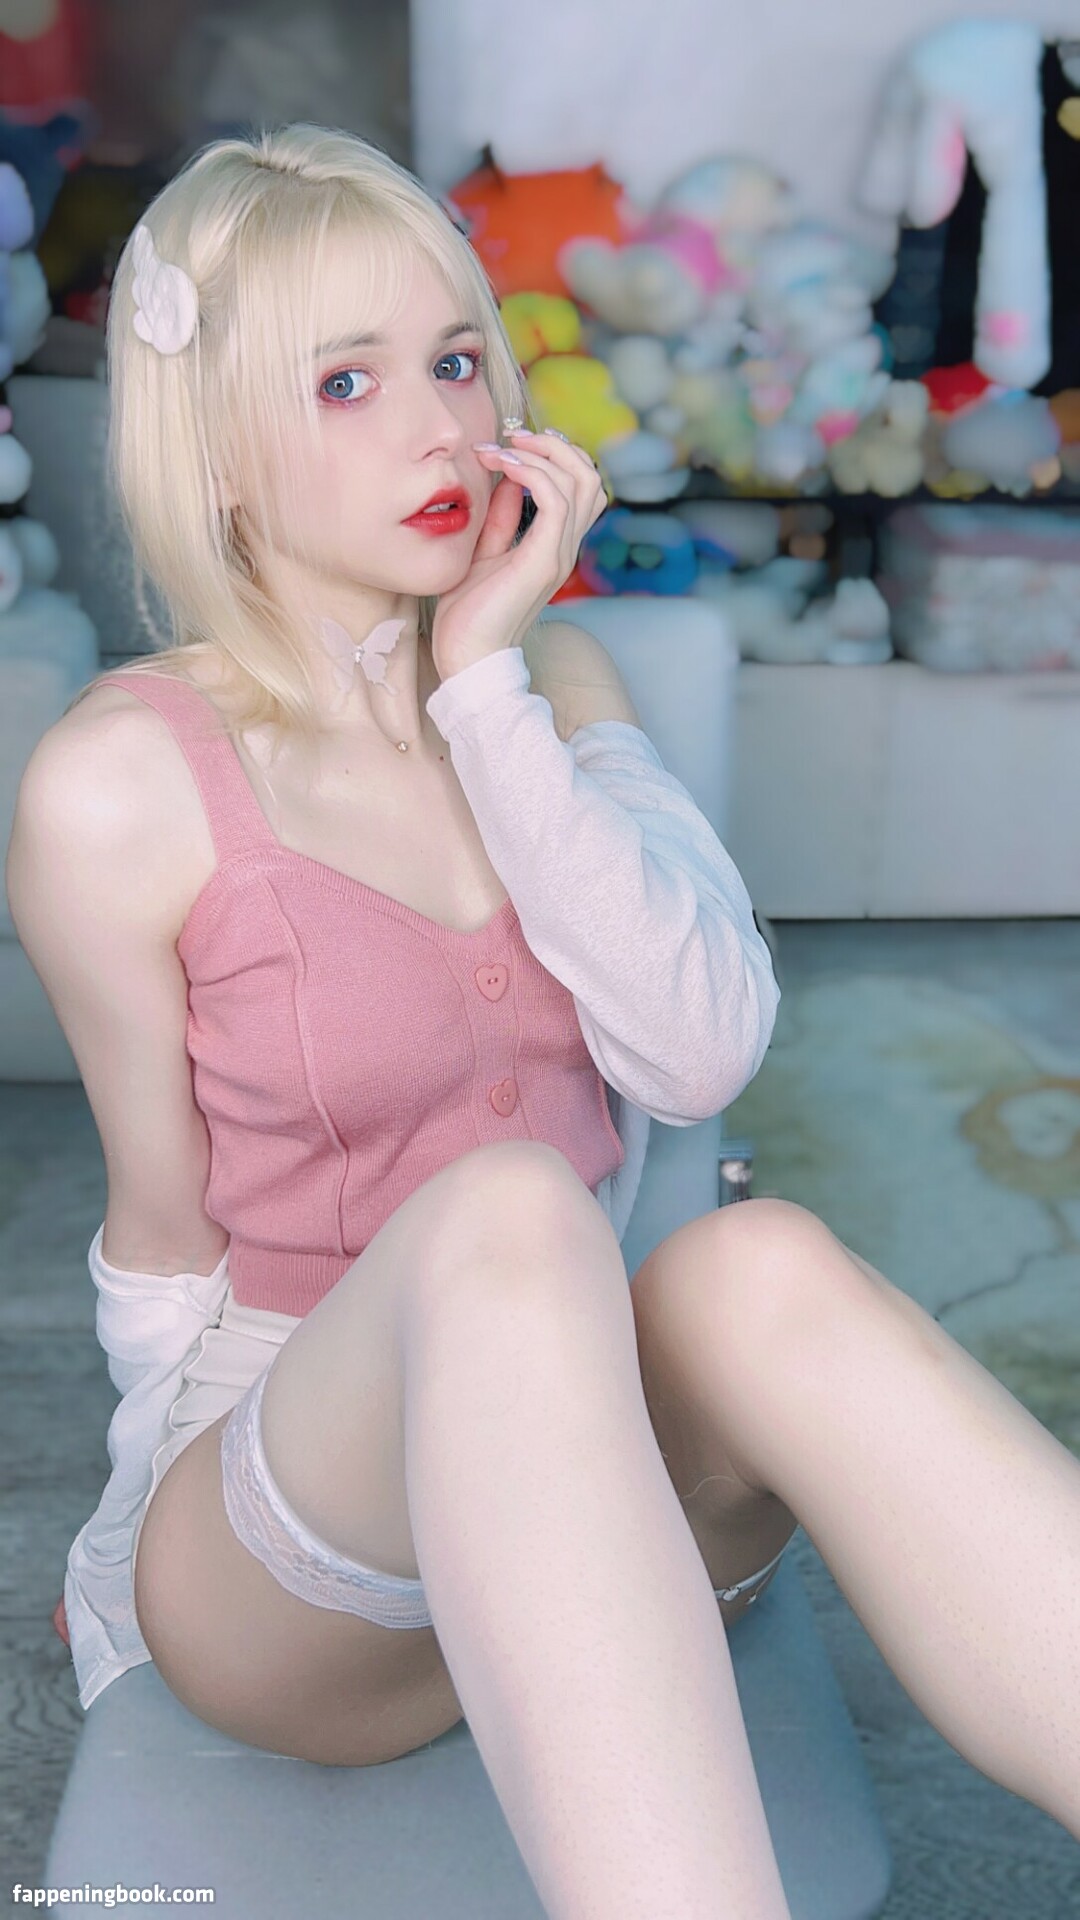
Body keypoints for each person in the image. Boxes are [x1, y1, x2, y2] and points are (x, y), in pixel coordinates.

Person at [7, 124, 1079, 1920]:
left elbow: (700, 1049)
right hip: (306, 1560)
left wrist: (492, 686)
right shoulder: (119, 784)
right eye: (345, 381)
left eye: (454, 359)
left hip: (605, 1508)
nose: (438, 428)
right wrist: (132, 1551)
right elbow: (162, 1231)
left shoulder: (547, 683)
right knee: (510, 1207)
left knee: (758, 1263)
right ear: (220, 452)